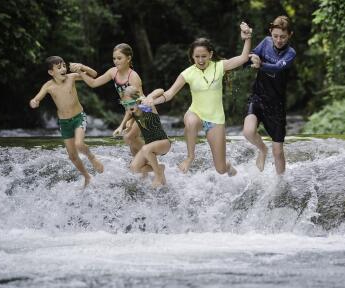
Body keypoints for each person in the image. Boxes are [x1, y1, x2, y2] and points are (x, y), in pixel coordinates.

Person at [143, 22, 253, 176]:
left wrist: (247, 38)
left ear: (210, 55)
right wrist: (152, 101)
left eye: (204, 56)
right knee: (191, 121)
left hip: (215, 119)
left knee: (220, 169)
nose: (200, 60)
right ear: (192, 57)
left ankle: (229, 167)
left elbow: (242, 58)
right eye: (197, 57)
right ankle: (190, 157)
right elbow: (169, 94)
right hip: (196, 114)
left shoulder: (220, 66)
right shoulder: (187, 73)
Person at [29, 56, 104, 188]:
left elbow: (94, 74)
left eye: (64, 66)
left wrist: (82, 67)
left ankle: (92, 158)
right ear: (51, 72)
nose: (63, 69)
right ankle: (87, 177)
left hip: (78, 117)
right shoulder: (48, 86)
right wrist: (34, 102)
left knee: (79, 144)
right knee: (72, 156)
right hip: (64, 122)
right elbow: (36, 99)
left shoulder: (72, 77)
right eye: (59, 68)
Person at [242, 15, 296, 174]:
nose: (279, 40)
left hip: (276, 105)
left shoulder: (290, 53)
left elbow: (278, 67)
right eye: (275, 36)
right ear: (270, 33)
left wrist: (261, 65)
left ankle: (280, 183)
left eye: (283, 37)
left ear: (290, 35)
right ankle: (262, 150)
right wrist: (250, 56)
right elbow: (248, 58)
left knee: (278, 152)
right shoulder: (265, 42)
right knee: (248, 131)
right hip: (258, 97)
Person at [79, 43, 145, 156]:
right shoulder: (112, 72)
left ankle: (152, 156)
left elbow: (138, 103)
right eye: (114, 58)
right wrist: (80, 71)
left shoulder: (133, 77)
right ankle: (143, 169)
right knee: (133, 147)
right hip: (130, 111)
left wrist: (130, 121)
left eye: (119, 58)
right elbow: (93, 83)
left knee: (129, 138)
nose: (116, 61)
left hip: (142, 111)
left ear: (128, 58)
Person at [121, 86, 171, 188]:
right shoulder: (133, 112)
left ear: (137, 100)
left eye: (130, 103)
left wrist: (150, 96)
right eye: (125, 104)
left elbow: (160, 90)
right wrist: (128, 123)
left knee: (145, 148)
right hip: (149, 147)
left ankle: (158, 175)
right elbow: (131, 117)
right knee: (134, 168)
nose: (128, 106)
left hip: (163, 143)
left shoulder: (147, 106)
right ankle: (159, 168)